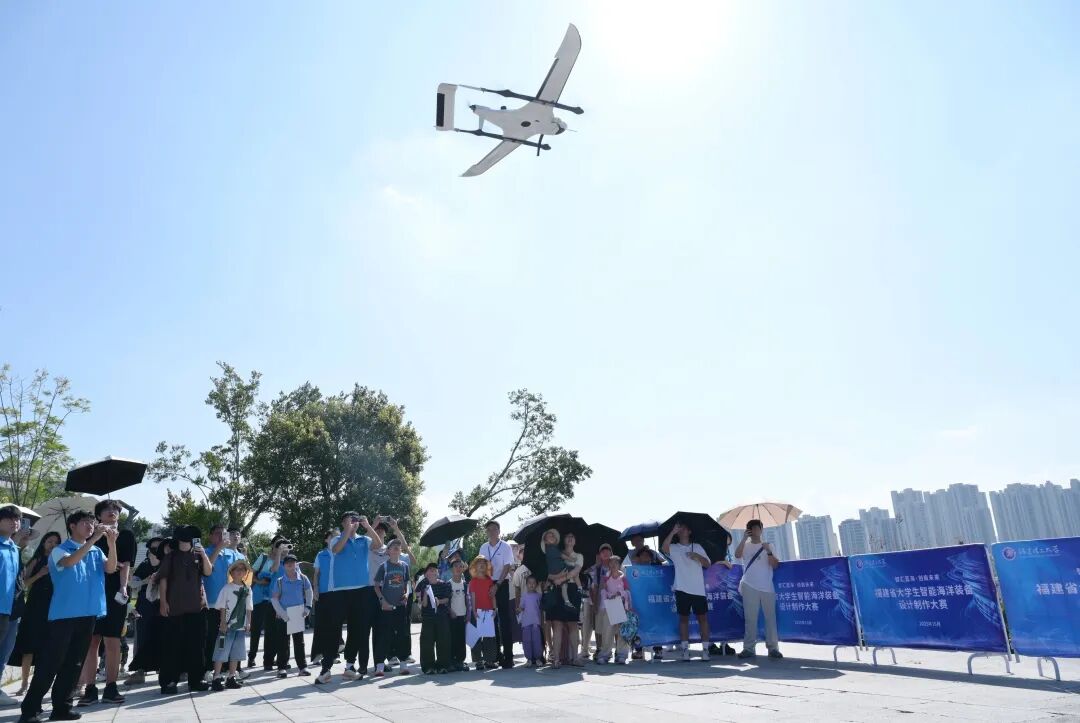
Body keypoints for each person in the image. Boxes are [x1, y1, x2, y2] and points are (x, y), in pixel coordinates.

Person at [19, 510, 117, 723]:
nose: (90, 526)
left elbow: (111, 568)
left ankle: (61, 707)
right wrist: (93, 540)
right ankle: (30, 710)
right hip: (64, 616)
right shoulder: (60, 550)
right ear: (72, 526)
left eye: (92, 523)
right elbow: (70, 562)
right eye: (85, 522)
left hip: (88, 614)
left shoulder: (95, 551)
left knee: (74, 664)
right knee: (50, 663)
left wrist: (111, 543)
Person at [75, 500, 133, 707]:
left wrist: (123, 586)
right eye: (107, 510)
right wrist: (98, 537)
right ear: (98, 515)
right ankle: (89, 688)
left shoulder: (126, 536)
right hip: (92, 592)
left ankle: (111, 686)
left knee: (113, 640)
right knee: (92, 641)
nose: (112, 512)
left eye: (116, 510)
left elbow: (126, 564)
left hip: (116, 592)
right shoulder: (90, 535)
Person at [317, 512, 382, 684]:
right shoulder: (335, 539)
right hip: (339, 591)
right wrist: (347, 530)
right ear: (343, 522)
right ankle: (326, 669)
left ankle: (350, 666)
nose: (353, 523)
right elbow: (337, 549)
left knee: (358, 630)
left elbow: (379, 544)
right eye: (349, 520)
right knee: (333, 629)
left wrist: (368, 526)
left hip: (362, 590)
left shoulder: (364, 540)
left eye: (355, 520)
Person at [157, 526, 212, 695]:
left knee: (196, 646)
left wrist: (203, 554)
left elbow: (208, 572)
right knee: (172, 646)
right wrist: (163, 602)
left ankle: (195, 680)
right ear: (178, 539)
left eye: (191, 536)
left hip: (196, 607)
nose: (188, 539)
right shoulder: (171, 557)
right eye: (185, 536)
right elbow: (163, 580)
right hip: (175, 607)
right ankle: (169, 681)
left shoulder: (198, 555)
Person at [11, 532, 61, 697]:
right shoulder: (36, 559)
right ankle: (24, 683)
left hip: (53, 606)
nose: (52, 544)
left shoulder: (61, 560)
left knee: (47, 647)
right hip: (34, 606)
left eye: (56, 542)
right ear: (44, 542)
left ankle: (41, 684)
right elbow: (23, 583)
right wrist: (40, 574)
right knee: (29, 646)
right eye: (49, 541)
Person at [662, 521, 713, 662]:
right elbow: (664, 549)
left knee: (702, 619)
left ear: (690, 532)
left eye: (684, 528)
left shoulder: (697, 547)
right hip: (681, 588)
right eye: (680, 528)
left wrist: (698, 556)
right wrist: (672, 532)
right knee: (683, 619)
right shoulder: (674, 547)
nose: (682, 530)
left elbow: (708, 564)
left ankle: (705, 650)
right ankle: (685, 650)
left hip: (698, 589)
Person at [202, 524, 246, 675]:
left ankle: (228, 668)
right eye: (218, 534)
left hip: (230, 606)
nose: (222, 537)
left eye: (224, 534)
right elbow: (206, 570)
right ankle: (209, 668)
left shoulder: (231, 554)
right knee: (213, 638)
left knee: (227, 638)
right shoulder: (206, 552)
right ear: (211, 536)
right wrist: (219, 548)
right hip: (213, 604)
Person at [735, 519, 782, 660]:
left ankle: (773, 648)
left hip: (767, 586)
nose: (755, 531)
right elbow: (737, 555)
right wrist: (743, 538)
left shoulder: (769, 545)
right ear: (748, 531)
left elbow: (775, 565)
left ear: (761, 529)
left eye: (757, 528)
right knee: (750, 619)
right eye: (752, 529)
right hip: (749, 585)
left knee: (770, 619)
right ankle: (748, 648)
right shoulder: (746, 546)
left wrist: (768, 551)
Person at [124, 537, 165, 684]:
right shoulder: (144, 565)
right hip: (145, 605)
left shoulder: (167, 563)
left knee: (164, 636)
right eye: (154, 548)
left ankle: (164, 667)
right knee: (142, 636)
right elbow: (132, 584)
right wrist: (145, 581)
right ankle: (139, 670)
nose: (157, 550)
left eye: (160, 547)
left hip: (164, 603)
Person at [478, 521, 516, 669]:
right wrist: (487, 585)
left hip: (502, 584)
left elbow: (507, 566)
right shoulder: (483, 547)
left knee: (505, 620)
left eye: (495, 529)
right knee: (490, 622)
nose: (492, 532)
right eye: (489, 529)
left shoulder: (505, 546)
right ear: (487, 532)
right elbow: (481, 567)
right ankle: (494, 656)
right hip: (488, 584)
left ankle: (508, 656)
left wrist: (497, 585)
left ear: (499, 531)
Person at [211, 560, 253, 690]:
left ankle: (231, 676)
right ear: (232, 572)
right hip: (227, 627)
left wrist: (249, 622)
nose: (239, 571)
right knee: (221, 650)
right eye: (236, 569)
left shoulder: (247, 589)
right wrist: (223, 622)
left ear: (246, 573)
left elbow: (249, 607)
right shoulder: (227, 588)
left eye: (242, 569)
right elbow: (222, 607)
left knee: (236, 652)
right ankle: (216, 677)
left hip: (240, 626)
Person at [372, 539, 411, 677]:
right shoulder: (384, 566)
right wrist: (383, 601)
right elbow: (376, 586)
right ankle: (380, 666)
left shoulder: (405, 566)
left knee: (402, 636)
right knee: (384, 637)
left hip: (400, 607)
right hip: (386, 608)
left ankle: (403, 665)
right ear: (388, 551)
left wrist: (406, 595)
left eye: (398, 548)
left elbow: (406, 584)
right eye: (393, 548)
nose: (396, 550)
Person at [269, 554, 312, 678]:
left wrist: (307, 608)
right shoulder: (279, 581)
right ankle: (282, 668)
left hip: (298, 613)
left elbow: (309, 592)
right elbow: (274, 599)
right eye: (287, 562)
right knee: (283, 643)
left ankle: (302, 667)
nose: (290, 564)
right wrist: (282, 614)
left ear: (296, 564)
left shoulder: (303, 578)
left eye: (293, 562)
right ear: (284, 566)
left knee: (299, 642)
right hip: (284, 615)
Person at [249, 536, 286, 670]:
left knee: (274, 631)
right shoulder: (263, 557)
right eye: (278, 544)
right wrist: (260, 582)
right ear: (272, 545)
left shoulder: (284, 559)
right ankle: (251, 657)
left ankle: (272, 657)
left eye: (283, 543)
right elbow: (250, 574)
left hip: (274, 599)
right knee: (256, 629)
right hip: (259, 598)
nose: (281, 546)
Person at [416, 562, 450, 674]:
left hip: (442, 617)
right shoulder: (422, 585)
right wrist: (425, 593)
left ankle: (443, 665)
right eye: (430, 570)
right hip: (428, 618)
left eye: (435, 570)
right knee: (427, 643)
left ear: (438, 573)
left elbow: (447, 599)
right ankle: (428, 667)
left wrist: (439, 601)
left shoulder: (444, 584)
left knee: (443, 641)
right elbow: (424, 604)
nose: (433, 572)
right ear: (426, 574)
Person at [310, 529, 337, 669]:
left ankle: (332, 654)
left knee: (334, 625)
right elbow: (316, 574)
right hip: (323, 593)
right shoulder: (321, 555)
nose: (334, 539)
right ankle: (316, 655)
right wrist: (315, 589)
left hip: (338, 593)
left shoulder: (341, 553)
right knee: (321, 624)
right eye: (331, 537)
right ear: (326, 540)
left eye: (337, 537)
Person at [583, 543, 615, 661]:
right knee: (599, 627)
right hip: (601, 601)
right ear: (599, 555)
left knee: (615, 626)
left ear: (612, 553)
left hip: (615, 601)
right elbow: (593, 587)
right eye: (603, 551)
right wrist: (595, 603)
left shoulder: (618, 566)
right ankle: (600, 649)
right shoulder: (595, 568)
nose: (605, 553)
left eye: (608, 551)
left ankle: (616, 651)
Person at [597, 556, 631, 665]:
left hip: (621, 605)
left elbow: (628, 592)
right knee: (607, 631)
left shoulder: (623, 577)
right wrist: (608, 596)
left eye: (616, 563)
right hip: (609, 605)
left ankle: (622, 655)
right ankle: (605, 654)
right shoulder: (605, 577)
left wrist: (620, 594)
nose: (613, 565)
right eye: (611, 563)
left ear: (619, 565)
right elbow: (602, 591)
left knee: (622, 631)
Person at [467, 556, 498, 671]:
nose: (481, 565)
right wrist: (474, 611)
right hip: (478, 612)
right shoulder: (473, 581)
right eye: (479, 563)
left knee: (489, 636)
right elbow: (473, 597)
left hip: (489, 611)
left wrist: (495, 609)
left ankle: (489, 660)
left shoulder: (489, 580)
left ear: (486, 567)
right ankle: (478, 661)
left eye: (484, 563)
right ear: (475, 566)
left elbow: (492, 595)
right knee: (476, 636)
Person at [542, 529, 578, 612]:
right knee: (572, 570)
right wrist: (571, 559)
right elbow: (562, 556)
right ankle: (566, 600)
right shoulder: (551, 548)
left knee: (564, 585)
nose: (552, 537)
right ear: (545, 541)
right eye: (549, 536)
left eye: (553, 535)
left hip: (555, 570)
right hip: (558, 569)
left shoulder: (552, 549)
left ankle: (566, 601)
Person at [446, 557, 469, 672]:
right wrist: (450, 611)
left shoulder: (465, 584)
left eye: (460, 566)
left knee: (461, 639)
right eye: (455, 566)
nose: (458, 568)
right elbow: (445, 602)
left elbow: (468, 601)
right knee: (451, 639)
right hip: (451, 617)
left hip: (463, 616)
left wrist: (468, 614)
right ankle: (451, 661)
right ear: (451, 569)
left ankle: (460, 661)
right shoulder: (448, 585)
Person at [516, 575, 543, 667]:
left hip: (536, 622)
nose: (531, 585)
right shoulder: (524, 596)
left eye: (533, 583)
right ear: (526, 584)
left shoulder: (539, 596)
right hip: (526, 622)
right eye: (529, 583)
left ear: (536, 585)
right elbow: (521, 607)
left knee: (537, 641)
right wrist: (518, 609)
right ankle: (529, 659)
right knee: (527, 641)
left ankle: (538, 658)